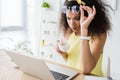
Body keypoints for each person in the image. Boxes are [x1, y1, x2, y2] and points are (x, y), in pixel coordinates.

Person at [56, 0, 111, 77]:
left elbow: (86, 69)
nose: (72, 23)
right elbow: (73, 62)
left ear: (88, 15)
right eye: (68, 18)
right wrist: (63, 54)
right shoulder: (69, 32)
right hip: (73, 76)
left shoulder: (99, 34)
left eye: (77, 18)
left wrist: (84, 29)